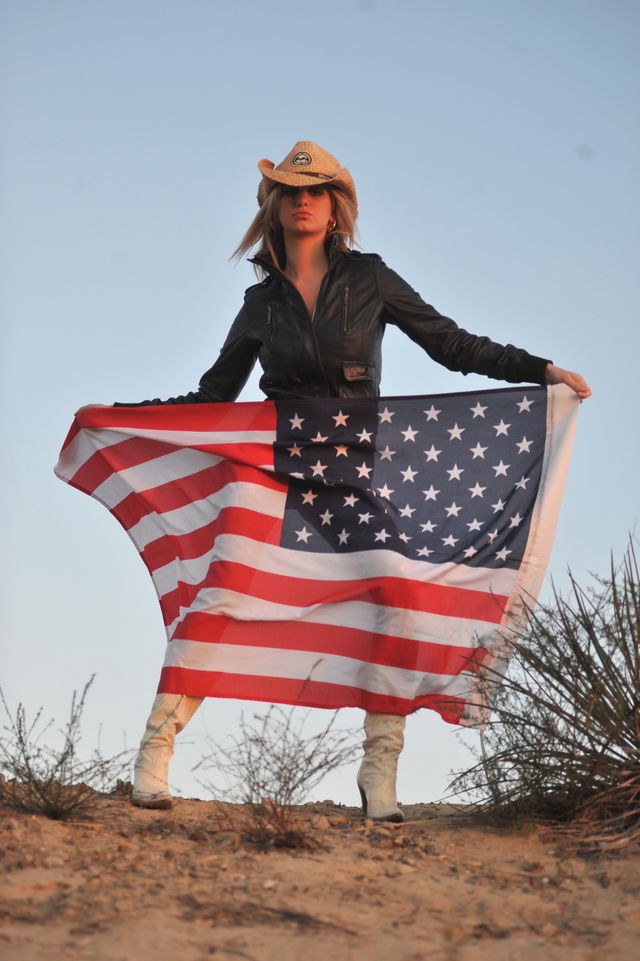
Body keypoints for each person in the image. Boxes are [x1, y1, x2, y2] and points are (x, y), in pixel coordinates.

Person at [112, 141, 591, 820]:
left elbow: (452, 344)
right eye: (290, 191)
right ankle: (154, 754)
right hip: (273, 466)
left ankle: (379, 772)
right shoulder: (260, 304)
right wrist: (128, 417)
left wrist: (540, 370)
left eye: (316, 190)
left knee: (396, 598)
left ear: (336, 207)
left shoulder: (371, 279)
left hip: (353, 469)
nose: (303, 200)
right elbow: (212, 396)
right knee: (222, 596)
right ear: (275, 207)